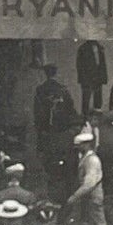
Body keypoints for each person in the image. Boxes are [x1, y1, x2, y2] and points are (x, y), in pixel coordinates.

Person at [67, 127, 113, 225]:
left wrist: (75, 196)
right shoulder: (86, 158)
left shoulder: (92, 160)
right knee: (79, 219)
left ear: (87, 144)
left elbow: (89, 183)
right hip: (89, 195)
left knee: (98, 223)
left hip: (93, 195)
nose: (78, 148)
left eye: (80, 145)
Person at [33, 63, 78, 195]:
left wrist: (40, 127)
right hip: (61, 128)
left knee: (47, 154)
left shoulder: (40, 90)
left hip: (46, 128)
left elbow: (37, 111)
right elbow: (71, 109)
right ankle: (61, 180)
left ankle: (51, 179)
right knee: (60, 152)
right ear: (55, 73)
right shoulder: (63, 89)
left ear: (46, 74)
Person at [76, 40, 108, 117]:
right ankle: (85, 119)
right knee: (86, 99)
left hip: (98, 78)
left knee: (98, 99)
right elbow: (79, 66)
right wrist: (83, 79)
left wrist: (103, 78)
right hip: (87, 79)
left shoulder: (100, 48)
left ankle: (97, 117)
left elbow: (103, 65)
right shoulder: (83, 48)